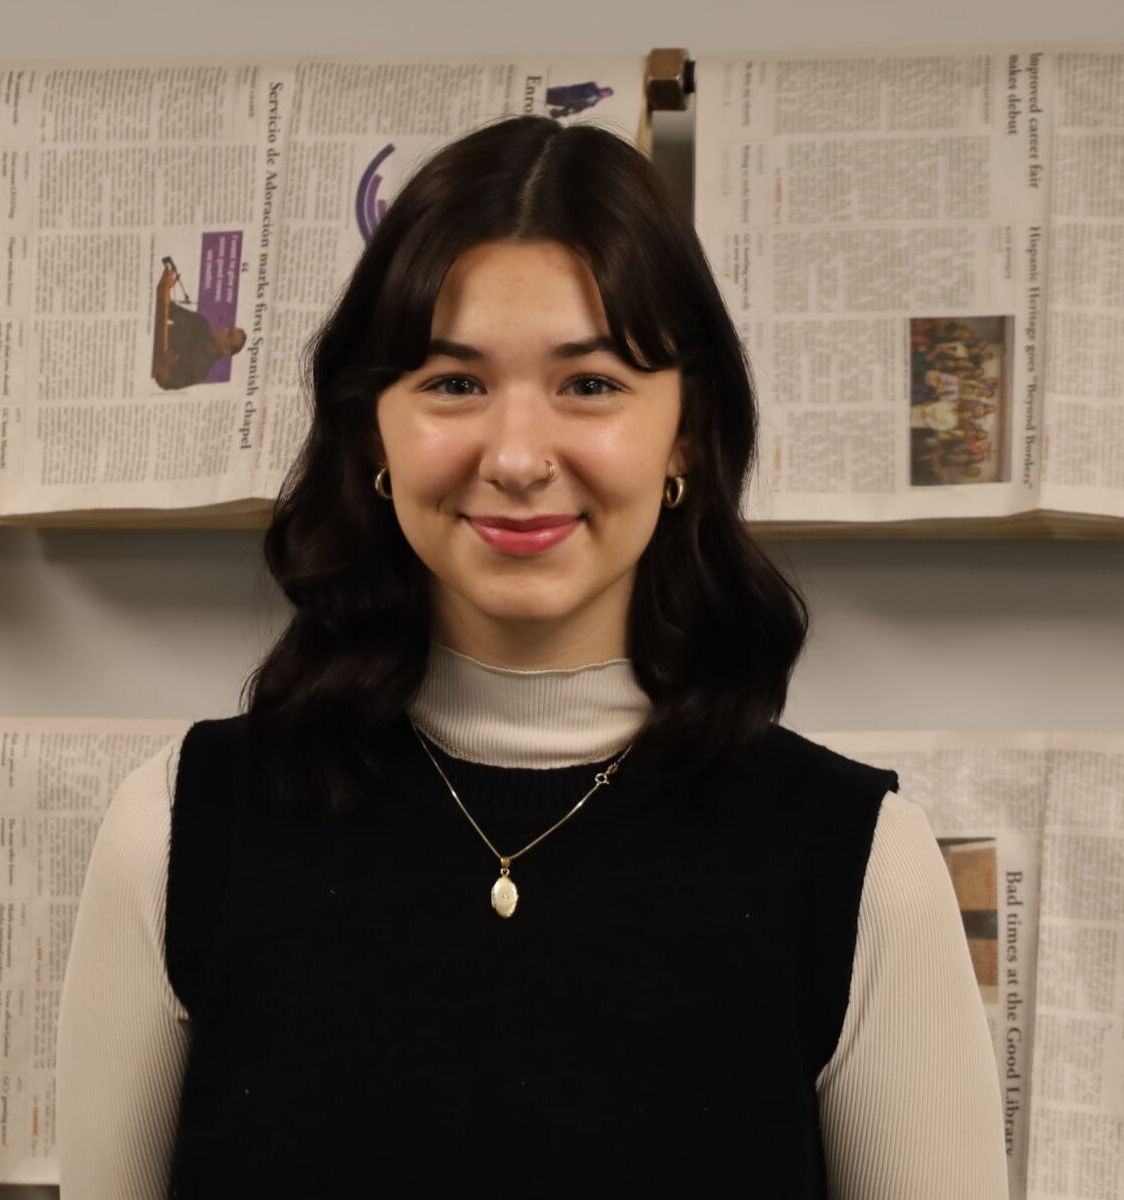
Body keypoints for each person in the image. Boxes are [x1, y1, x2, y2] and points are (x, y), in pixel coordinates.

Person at [56, 114, 1008, 1198]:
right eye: (453, 384)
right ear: (373, 429)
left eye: (590, 384)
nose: (515, 458)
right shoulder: (177, 832)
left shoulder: (861, 867)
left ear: (686, 433)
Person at [152, 265, 247, 390]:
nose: (224, 329)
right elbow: (167, 307)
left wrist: (163, 365)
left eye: (229, 335)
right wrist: (166, 286)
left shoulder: (200, 372)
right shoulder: (201, 324)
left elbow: (165, 383)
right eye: (229, 328)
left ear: (227, 351)